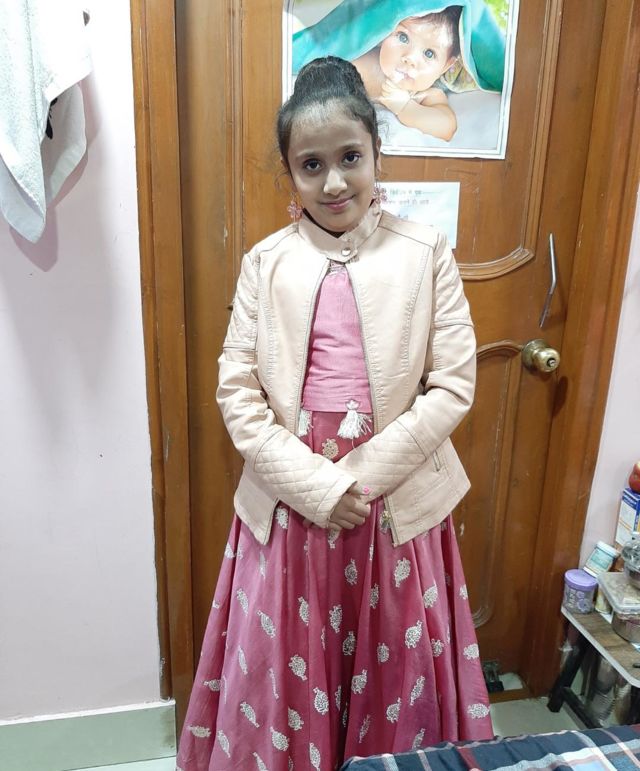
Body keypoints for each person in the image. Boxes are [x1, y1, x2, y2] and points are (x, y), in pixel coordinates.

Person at [176, 56, 492, 771]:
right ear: (290, 174)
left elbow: (452, 384)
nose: (334, 182)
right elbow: (237, 393)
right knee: (291, 665)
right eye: (310, 165)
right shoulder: (265, 262)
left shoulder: (425, 252)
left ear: (377, 151)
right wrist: (319, 487)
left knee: (395, 668)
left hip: (394, 501)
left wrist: (360, 480)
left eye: (350, 157)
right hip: (292, 503)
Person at [352, 7, 462, 140]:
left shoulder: (425, 95)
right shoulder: (363, 64)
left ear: (445, 66)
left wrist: (405, 106)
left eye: (429, 53)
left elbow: (447, 127)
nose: (410, 58)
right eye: (403, 37)